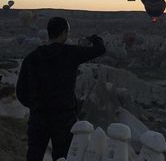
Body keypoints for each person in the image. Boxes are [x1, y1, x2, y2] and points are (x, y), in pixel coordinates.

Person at [16, 16, 106, 161]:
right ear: (64, 32)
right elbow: (100, 49)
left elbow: (21, 92)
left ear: (49, 32)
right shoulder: (70, 53)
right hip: (63, 118)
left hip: (38, 118)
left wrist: (35, 105)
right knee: (62, 156)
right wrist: (95, 38)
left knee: (34, 155)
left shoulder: (31, 58)